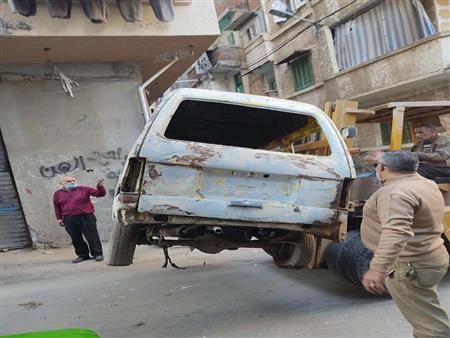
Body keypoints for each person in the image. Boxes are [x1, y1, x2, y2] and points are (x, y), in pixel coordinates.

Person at [360, 151, 450, 337]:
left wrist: (377, 268)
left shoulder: (394, 192)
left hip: (410, 265)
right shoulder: (426, 183)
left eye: (377, 165)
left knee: (430, 325)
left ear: (382, 168)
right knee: (425, 311)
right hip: (432, 257)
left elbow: (396, 232)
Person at [53, 176, 106, 263]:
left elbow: (100, 194)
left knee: (92, 236)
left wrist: (100, 186)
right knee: (76, 238)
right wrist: (59, 218)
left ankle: (97, 254)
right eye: (68, 181)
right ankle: (83, 255)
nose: (72, 182)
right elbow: (57, 207)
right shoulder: (57, 194)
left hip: (86, 216)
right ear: (62, 184)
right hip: (69, 219)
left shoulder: (84, 189)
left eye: (73, 181)